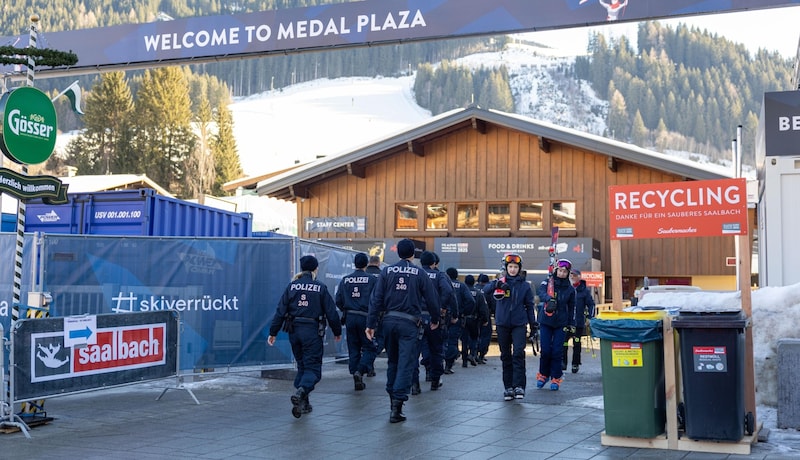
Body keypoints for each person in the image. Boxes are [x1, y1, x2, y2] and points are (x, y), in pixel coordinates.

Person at [366, 239, 440, 423]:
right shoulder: (419, 273)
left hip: (388, 322)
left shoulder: (387, 271)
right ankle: (397, 406)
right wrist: (436, 319)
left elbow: (376, 299)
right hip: (409, 324)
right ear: (412, 255)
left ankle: (392, 400)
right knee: (406, 363)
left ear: (398, 253)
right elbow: (432, 299)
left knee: (393, 362)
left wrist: (371, 324)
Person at [268, 255, 342, 418]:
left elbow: (280, 311)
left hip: (294, 331)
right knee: (313, 369)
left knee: (302, 366)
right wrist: (337, 331)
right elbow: (331, 312)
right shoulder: (320, 287)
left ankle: (303, 403)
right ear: (316, 269)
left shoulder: (292, 286)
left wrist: (273, 332)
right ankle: (301, 392)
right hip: (312, 332)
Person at [482, 253, 537, 401]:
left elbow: (529, 306)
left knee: (518, 353)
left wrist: (533, 325)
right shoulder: (499, 282)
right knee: (505, 356)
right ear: (506, 268)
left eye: (515, 267)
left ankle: (519, 386)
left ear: (520, 268)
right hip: (502, 324)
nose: (513, 269)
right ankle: (508, 387)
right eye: (510, 267)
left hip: (519, 324)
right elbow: (485, 291)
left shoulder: (525, 286)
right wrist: (496, 284)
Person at [335, 252, 378, 391]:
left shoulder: (345, 279)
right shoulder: (371, 279)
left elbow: (338, 300)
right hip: (366, 317)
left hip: (350, 317)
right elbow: (377, 299)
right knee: (370, 347)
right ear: (366, 264)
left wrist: (346, 309)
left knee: (353, 347)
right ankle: (360, 370)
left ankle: (355, 373)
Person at [415, 251, 456, 392]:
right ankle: (435, 380)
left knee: (414, 352)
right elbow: (448, 291)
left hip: (416, 318)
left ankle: (415, 384)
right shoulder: (440, 275)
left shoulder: (415, 274)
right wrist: (442, 307)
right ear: (434, 263)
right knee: (436, 350)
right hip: (434, 318)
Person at [536, 259, 577, 391]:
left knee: (557, 351)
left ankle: (556, 376)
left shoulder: (570, 289)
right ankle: (543, 374)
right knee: (546, 350)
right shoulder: (548, 282)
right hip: (546, 321)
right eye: (560, 270)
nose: (562, 273)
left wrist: (572, 323)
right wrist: (549, 298)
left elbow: (572, 308)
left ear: (568, 273)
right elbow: (540, 292)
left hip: (561, 322)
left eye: (565, 271)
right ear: (556, 270)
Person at [563, 269, 596, 374]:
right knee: (563, 343)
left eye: (574, 275)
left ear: (579, 277)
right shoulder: (566, 288)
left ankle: (575, 363)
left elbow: (591, 304)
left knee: (576, 343)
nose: (572, 277)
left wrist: (589, 317)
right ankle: (562, 362)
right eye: (571, 275)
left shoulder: (584, 291)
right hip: (566, 322)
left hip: (578, 322)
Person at [444, 267, 475, 369]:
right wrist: (463, 313)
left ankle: (433, 367)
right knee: (452, 340)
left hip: (442, 316)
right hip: (456, 317)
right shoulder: (462, 286)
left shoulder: (443, 284)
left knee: (439, 340)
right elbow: (471, 301)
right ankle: (448, 365)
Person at [463, 274, 490, 366]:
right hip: (474, 319)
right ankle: (472, 354)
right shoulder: (478, 293)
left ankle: (464, 361)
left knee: (464, 339)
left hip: (463, 318)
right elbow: (483, 308)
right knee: (474, 338)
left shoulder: (462, 291)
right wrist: (485, 319)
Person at [365, 254, 384, 374]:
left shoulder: (363, 274)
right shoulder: (382, 275)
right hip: (379, 313)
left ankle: (367, 365)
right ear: (378, 263)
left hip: (362, 312)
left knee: (365, 340)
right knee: (380, 339)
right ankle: (368, 362)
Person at [475, 274, 493, 364]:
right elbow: (493, 303)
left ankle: (473, 354)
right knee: (485, 336)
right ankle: (481, 355)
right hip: (485, 315)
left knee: (474, 335)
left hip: (474, 316)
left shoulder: (474, 288)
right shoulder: (489, 290)